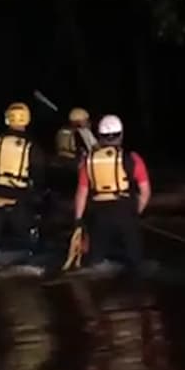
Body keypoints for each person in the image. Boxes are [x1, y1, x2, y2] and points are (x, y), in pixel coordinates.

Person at [73, 114, 151, 274]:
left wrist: (78, 221)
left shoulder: (88, 160)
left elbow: (81, 193)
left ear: (100, 136)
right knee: (136, 265)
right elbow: (145, 192)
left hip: (99, 215)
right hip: (126, 213)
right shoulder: (133, 159)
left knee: (94, 263)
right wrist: (135, 213)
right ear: (121, 135)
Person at [0, 101, 47, 256]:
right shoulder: (31, 144)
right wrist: (38, 193)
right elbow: (38, 173)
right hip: (18, 195)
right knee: (29, 235)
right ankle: (34, 252)